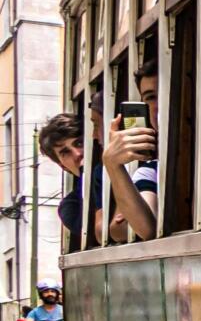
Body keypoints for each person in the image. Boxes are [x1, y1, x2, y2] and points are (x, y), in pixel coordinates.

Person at [97, 69, 159, 246]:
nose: (158, 105)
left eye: (164, 92)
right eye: (150, 97)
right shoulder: (150, 170)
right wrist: (112, 164)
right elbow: (146, 228)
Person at [37, 112, 87, 253]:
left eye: (79, 143)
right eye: (66, 152)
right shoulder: (71, 207)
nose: (78, 154)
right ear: (62, 166)